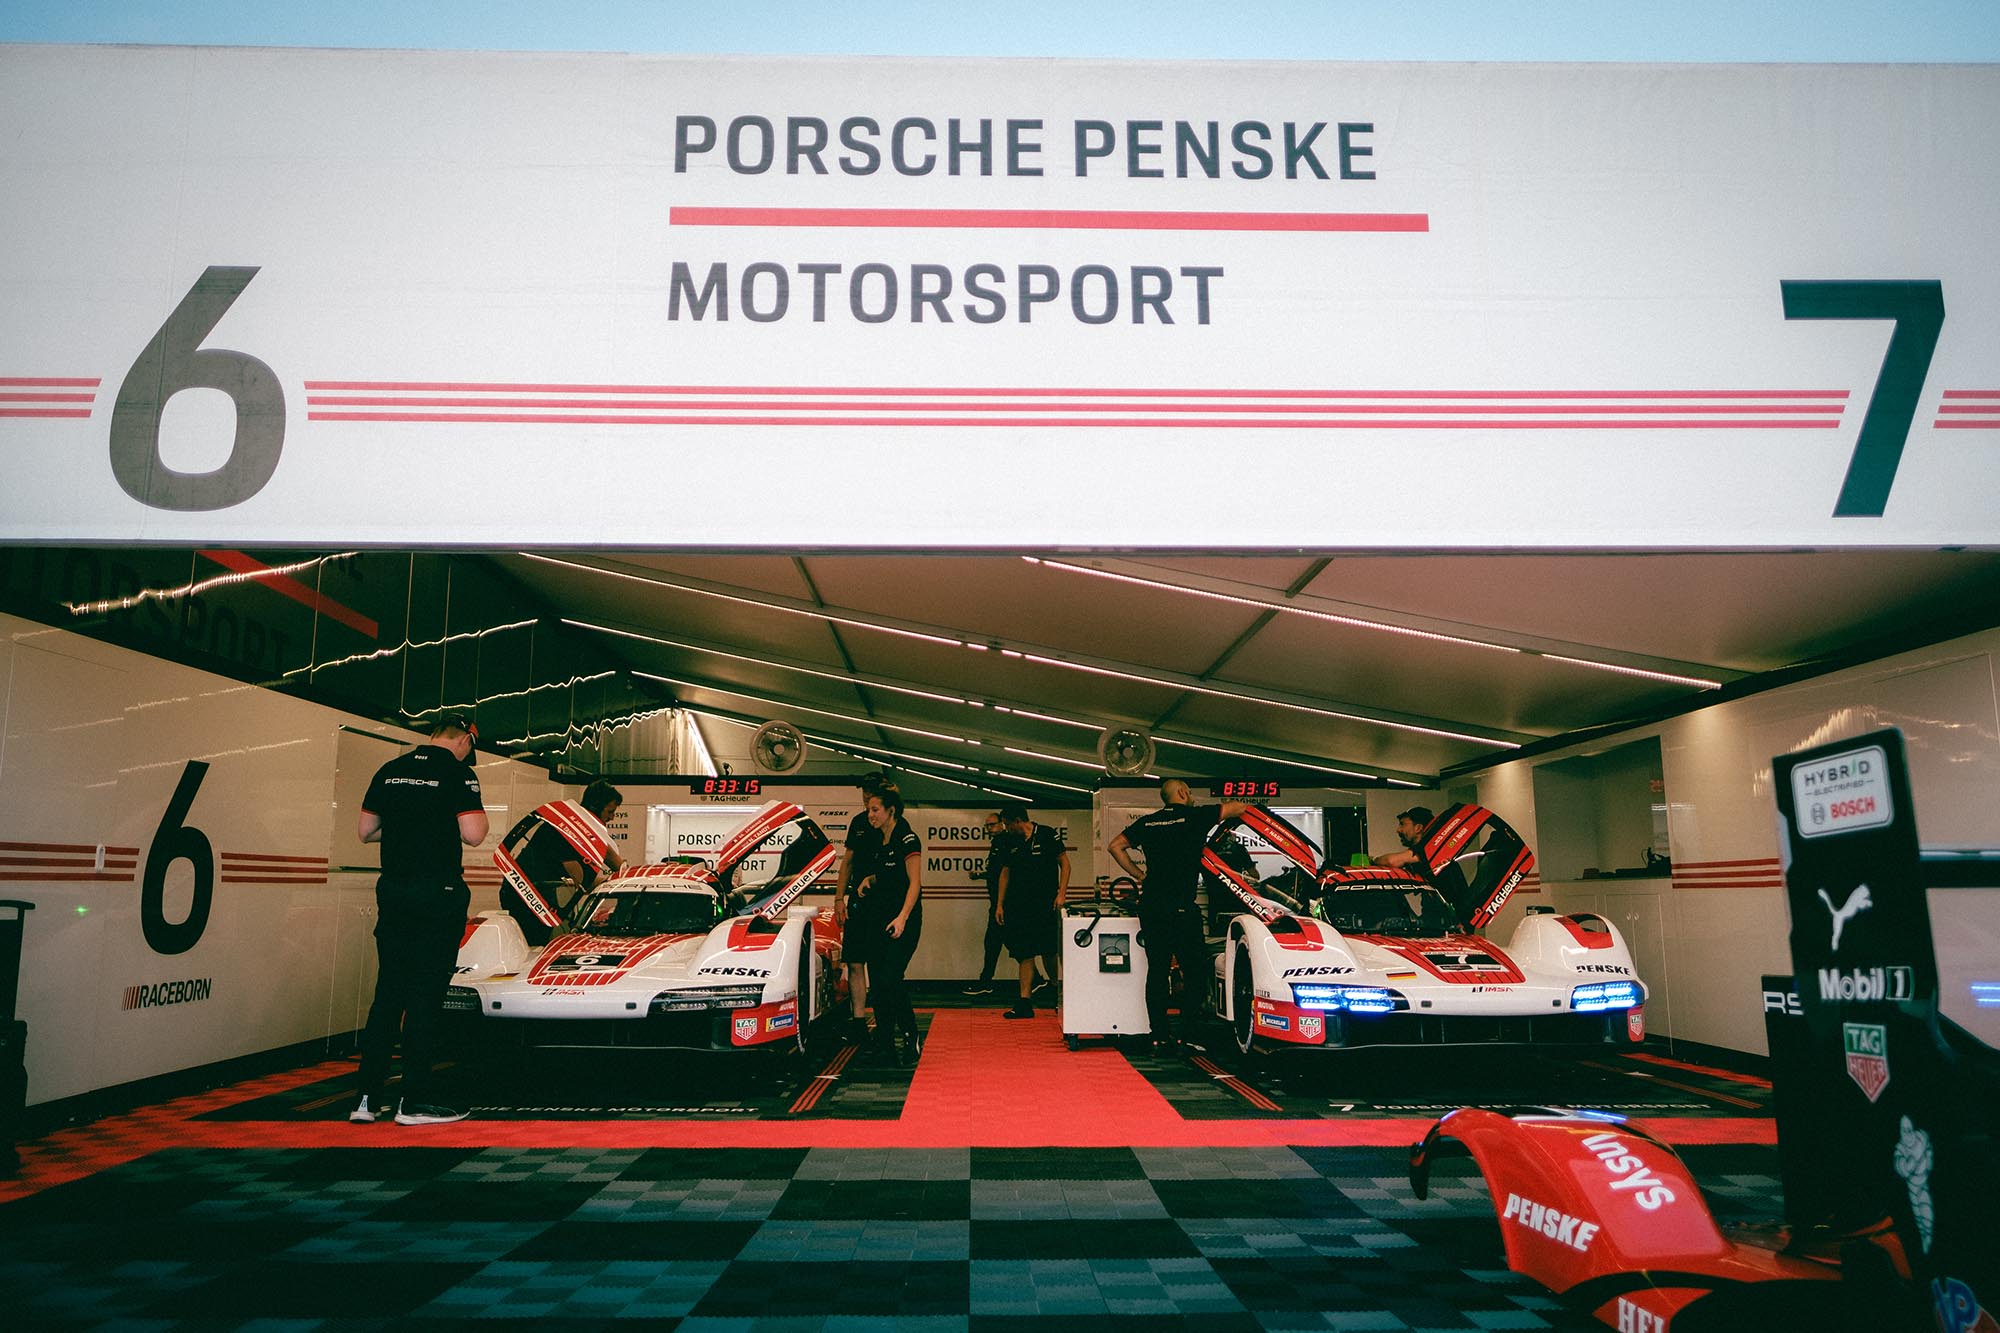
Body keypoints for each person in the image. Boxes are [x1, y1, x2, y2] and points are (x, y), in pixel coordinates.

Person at [350, 714, 489, 1126]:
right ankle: (414, 1100)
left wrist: (405, 826)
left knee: (388, 994)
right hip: (437, 896)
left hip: (393, 894)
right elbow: (476, 833)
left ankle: (366, 1099)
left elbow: (365, 830)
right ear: (464, 740)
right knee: (425, 997)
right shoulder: (459, 774)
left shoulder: (390, 770)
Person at [1106, 778, 1249, 1049]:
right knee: (1193, 971)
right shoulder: (1196, 816)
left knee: (1157, 970)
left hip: (1151, 906)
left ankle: (1158, 1035)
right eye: (1190, 791)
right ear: (1183, 792)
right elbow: (1237, 808)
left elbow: (1115, 845)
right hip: (1182, 907)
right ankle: (1188, 1034)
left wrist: (1139, 875)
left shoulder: (1147, 823)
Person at [842, 784, 925, 1062]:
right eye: (868, 810)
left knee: (891, 978)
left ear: (891, 810)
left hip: (904, 920)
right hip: (877, 918)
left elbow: (914, 883)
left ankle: (911, 1034)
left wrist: (902, 918)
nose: (870, 815)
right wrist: (870, 880)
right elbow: (888, 874)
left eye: (875, 810)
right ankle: (886, 1041)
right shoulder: (879, 840)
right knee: (877, 982)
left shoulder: (907, 838)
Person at [498, 778, 625, 946]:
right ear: (595, 807)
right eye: (609, 812)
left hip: (530, 893)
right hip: (526, 897)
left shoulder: (577, 827)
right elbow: (581, 880)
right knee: (532, 946)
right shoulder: (565, 831)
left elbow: (610, 855)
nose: (612, 818)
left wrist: (627, 873)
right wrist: (614, 881)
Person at [993, 803, 1067, 1019]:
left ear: (1018, 821)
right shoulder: (1009, 841)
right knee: (1024, 952)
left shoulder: (1046, 834)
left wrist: (1061, 893)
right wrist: (1000, 904)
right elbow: (1004, 873)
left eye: (1007, 824)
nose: (1005, 828)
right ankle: (1024, 1002)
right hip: (1018, 905)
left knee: (1048, 950)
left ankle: (1057, 988)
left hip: (1045, 903)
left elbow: (1065, 863)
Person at [833, 772, 891, 1034]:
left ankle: (883, 1021)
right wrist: (839, 898)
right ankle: (858, 1021)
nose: (866, 795)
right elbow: (848, 861)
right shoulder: (858, 822)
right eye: (864, 791)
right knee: (855, 961)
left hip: (884, 902)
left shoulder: (893, 824)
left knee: (880, 966)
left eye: (872, 790)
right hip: (858, 900)